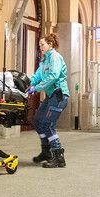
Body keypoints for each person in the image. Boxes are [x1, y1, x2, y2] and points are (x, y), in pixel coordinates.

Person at [27, 33, 69, 168]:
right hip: (51, 96)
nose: (40, 47)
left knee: (47, 125)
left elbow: (53, 76)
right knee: (38, 121)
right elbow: (38, 75)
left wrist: (37, 88)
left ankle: (58, 157)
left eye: (42, 44)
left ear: (50, 44)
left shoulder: (55, 57)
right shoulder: (45, 60)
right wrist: (28, 83)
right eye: (39, 45)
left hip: (59, 96)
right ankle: (46, 152)